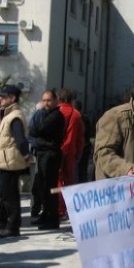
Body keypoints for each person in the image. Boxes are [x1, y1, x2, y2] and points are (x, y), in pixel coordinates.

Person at [0, 85, 32, 238]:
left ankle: (13, 227)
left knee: (10, 196)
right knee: (7, 195)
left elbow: (20, 139)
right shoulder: (9, 115)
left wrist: (26, 155)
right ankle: (4, 222)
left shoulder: (14, 116)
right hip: (7, 161)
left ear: (12, 98)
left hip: (10, 162)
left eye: (3, 96)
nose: (0, 99)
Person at [29, 90, 65, 230]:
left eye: (49, 100)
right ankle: (45, 215)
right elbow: (32, 131)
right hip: (43, 153)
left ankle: (52, 219)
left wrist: (35, 124)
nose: (46, 103)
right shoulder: (45, 114)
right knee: (43, 187)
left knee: (50, 188)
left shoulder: (56, 115)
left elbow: (39, 128)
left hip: (51, 154)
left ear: (56, 101)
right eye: (44, 100)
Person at [57, 88, 84, 218]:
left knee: (57, 180)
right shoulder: (76, 114)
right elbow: (80, 138)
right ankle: (70, 208)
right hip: (70, 152)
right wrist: (78, 153)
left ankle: (59, 208)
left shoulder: (56, 112)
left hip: (57, 150)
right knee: (69, 181)